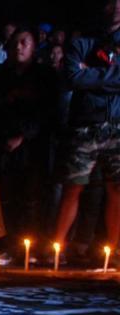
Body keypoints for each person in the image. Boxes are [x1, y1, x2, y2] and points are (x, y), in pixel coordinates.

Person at [0, 25, 58, 263]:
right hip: (3, 147)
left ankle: (32, 246)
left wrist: (23, 135)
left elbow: (49, 112)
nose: (19, 48)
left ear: (34, 47)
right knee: (7, 199)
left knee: (33, 199)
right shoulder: (0, 76)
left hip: (35, 149)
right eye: (15, 43)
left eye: (25, 43)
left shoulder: (44, 77)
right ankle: (8, 244)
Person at [51, 0, 120, 262]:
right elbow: (71, 78)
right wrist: (111, 75)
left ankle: (111, 251)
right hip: (85, 127)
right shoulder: (82, 43)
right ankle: (56, 248)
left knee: (117, 190)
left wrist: (92, 74)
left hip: (117, 124)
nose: (115, 6)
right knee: (73, 187)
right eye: (109, 2)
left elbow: (83, 78)